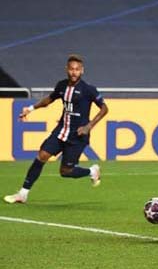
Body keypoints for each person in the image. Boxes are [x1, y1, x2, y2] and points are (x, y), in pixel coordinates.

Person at [4, 54, 108, 204]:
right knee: (42, 156)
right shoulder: (62, 85)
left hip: (77, 136)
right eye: (71, 69)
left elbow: (104, 109)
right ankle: (22, 193)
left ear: (82, 71)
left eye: (77, 69)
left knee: (66, 172)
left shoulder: (88, 89)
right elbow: (49, 99)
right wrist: (31, 108)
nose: (74, 72)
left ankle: (91, 171)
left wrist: (89, 126)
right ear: (67, 69)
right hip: (61, 131)